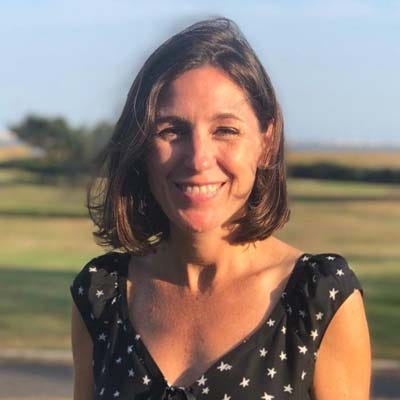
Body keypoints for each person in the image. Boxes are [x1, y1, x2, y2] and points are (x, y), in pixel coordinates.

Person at [70, 17, 371, 400]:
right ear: (141, 147)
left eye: (225, 130)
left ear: (267, 140)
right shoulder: (101, 294)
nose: (198, 159)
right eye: (171, 130)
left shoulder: (318, 298)